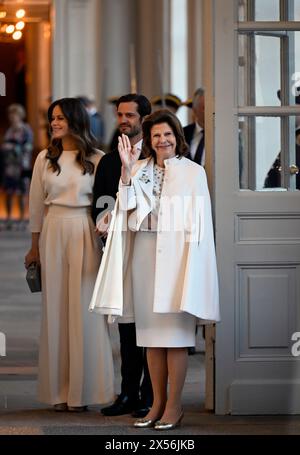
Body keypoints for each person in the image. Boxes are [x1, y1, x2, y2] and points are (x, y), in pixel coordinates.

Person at [90, 109, 220, 430]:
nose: (162, 140)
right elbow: (127, 209)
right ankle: (156, 405)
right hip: (145, 258)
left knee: (174, 339)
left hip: (178, 259)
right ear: (149, 140)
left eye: (167, 135)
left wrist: (194, 268)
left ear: (177, 138)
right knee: (149, 339)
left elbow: (201, 226)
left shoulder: (193, 173)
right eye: (156, 136)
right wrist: (124, 172)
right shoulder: (140, 168)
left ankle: (173, 407)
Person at [24, 97, 114, 411]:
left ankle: (85, 391)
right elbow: (36, 204)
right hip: (52, 230)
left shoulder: (99, 158)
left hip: (85, 230)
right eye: (53, 118)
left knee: (85, 311)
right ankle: (59, 392)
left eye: (60, 117)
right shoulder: (44, 158)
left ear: (75, 120)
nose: (55, 123)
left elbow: (107, 204)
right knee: (56, 311)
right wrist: (34, 246)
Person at [91, 93, 153, 418]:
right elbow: (100, 200)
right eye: (120, 115)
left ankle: (150, 395)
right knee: (126, 326)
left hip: (149, 249)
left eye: (130, 115)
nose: (124, 120)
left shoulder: (157, 157)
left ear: (144, 117)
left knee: (151, 326)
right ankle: (128, 393)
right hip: (120, 249)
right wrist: (105, 226)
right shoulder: (110, 159)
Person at [0, 103, 33, 228]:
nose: (12, 117)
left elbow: (28, 147)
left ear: (20, 115)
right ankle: (9, 218)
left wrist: (13, 147)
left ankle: (22, 218)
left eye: (14, 114)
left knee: (22, 191)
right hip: (9, 166)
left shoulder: (26, 129)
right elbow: (4, 145)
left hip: (22, 165)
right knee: (8, 191)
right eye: (10, 114)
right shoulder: (9, 130)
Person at [183, 88, 205, 166]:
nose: (211, 111)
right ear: (195, 110)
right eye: (204, 108)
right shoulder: (182, 134)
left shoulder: (224, 136)